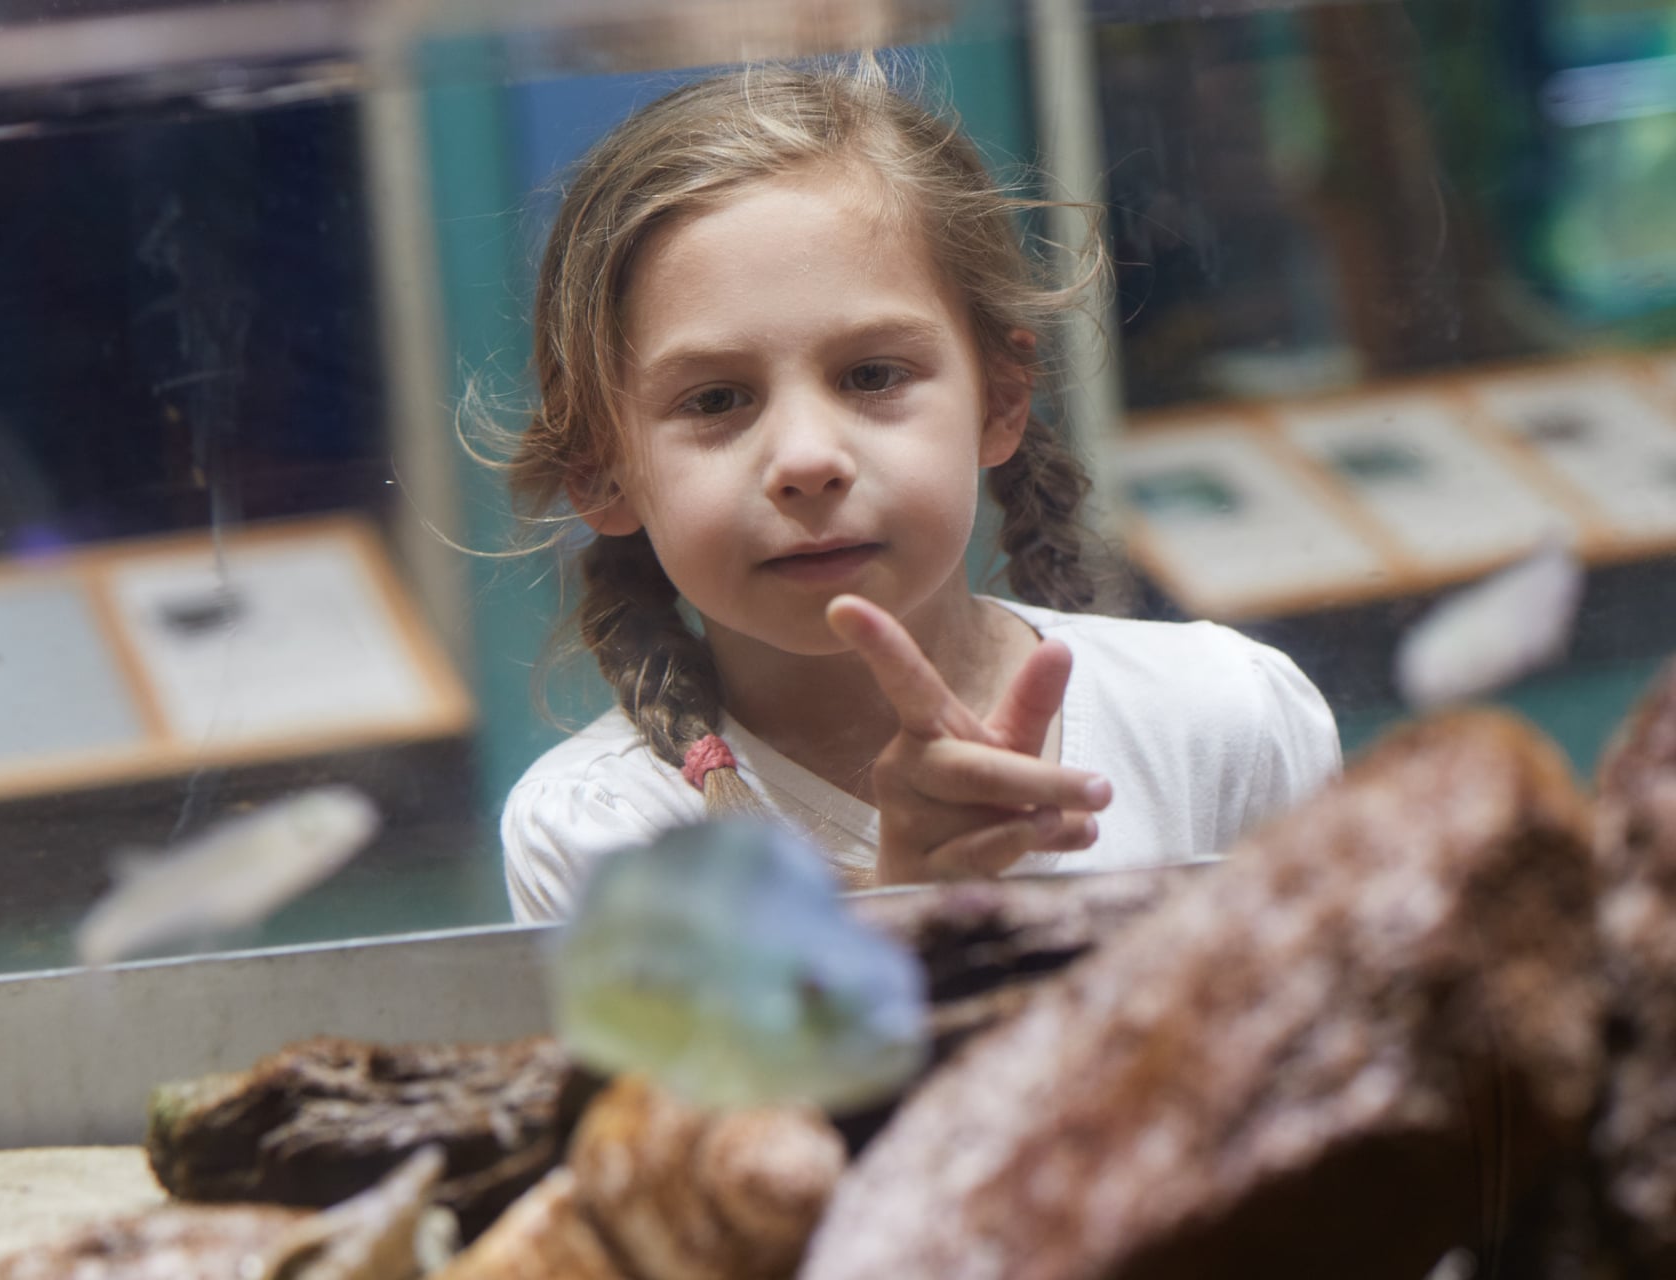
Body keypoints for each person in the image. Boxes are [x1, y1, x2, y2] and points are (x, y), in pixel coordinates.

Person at [496, 59, 1340, 922]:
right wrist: (909, 910)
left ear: (1001, 401)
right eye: (715, 399)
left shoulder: (1218, 720)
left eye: (871, 374)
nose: (807, 458)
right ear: (600, 471)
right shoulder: (600, 833)